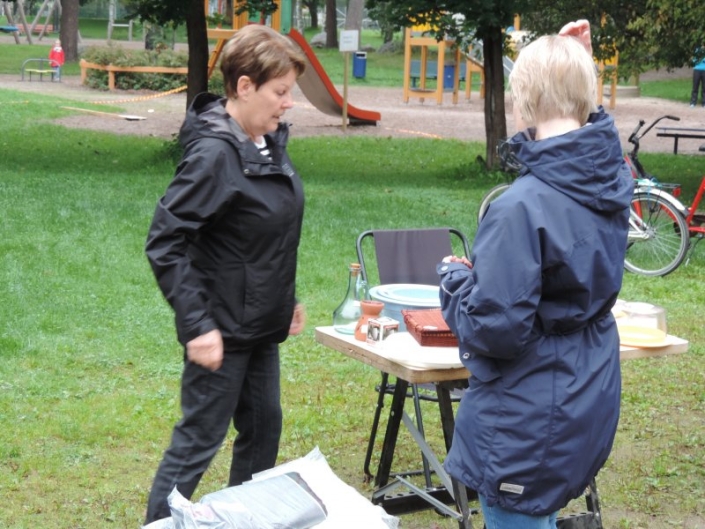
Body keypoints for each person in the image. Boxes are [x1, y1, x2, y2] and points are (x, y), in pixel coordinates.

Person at [437, 20, 633, 528]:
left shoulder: (520, 208)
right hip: (581, 395)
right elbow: (597, 144)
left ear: (522, 102)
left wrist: (455, 283)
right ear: (585, 99)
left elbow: (495, 329)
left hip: (526, 417)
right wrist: (578, 68)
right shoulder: (611, 181)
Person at [143, 24, 307, 524]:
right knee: (199, 441)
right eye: (280, 92)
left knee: (264, 430)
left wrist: (284, 299)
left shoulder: (265, 142)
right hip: (222, 330)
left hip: (260, 326)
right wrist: (197, 325)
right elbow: (166, 241)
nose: (289, 103)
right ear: (244, 86)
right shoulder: (215, 153)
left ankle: (246, 519)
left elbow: (260, 234)